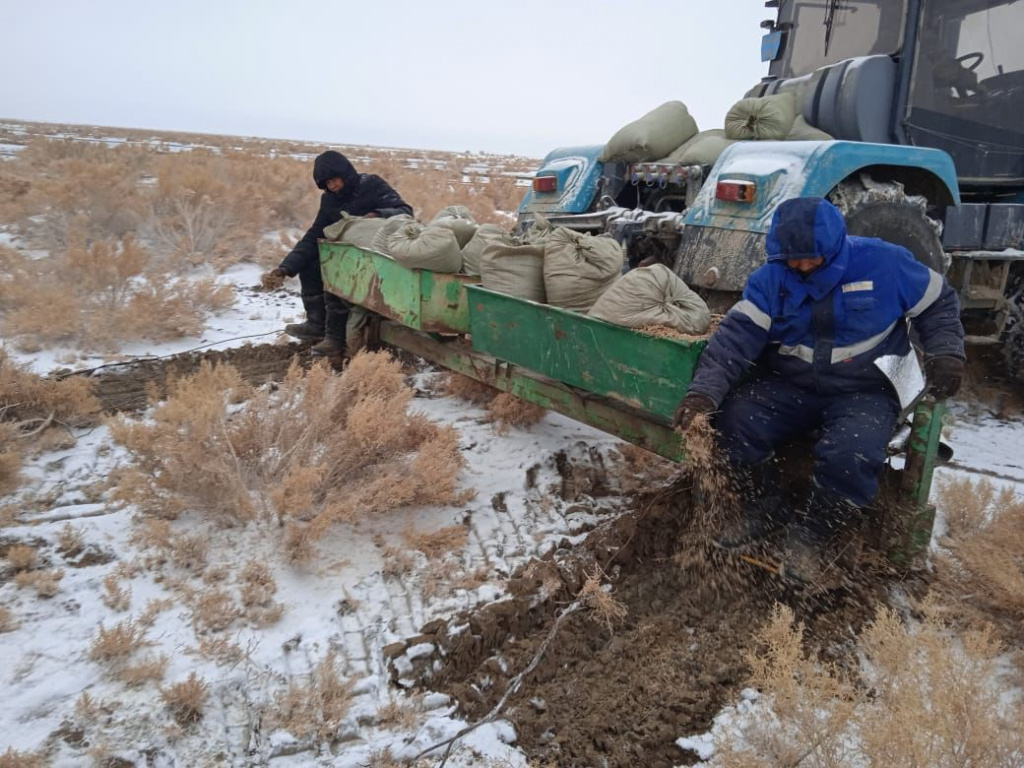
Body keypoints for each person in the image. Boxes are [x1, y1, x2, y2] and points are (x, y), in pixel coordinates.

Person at [673, 197, 966, 584]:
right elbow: (734, 341)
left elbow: (938, 302)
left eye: (812, 258)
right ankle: (766, 506)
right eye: (792, 259)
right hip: (792, 385)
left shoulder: (885, 263)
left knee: (853, 451)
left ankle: (813, 533)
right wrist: (703, 395)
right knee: (735, 422)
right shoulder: (770, 280)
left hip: (865, 389)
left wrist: (947, 352)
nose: (801, 266)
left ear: (836, 246)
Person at [265, 150, 413, 356]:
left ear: (346, 173)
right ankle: (317, 324)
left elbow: (405, 211)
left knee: (336, 272)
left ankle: (335, 339)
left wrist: (378, 215)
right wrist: (286, 268)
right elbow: (315, 235)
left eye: (334, 180)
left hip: (379, 256)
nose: (332, 186)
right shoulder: (330, 200)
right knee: (312, 266)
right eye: (327, 183)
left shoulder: (372, 185)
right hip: (347, 256)